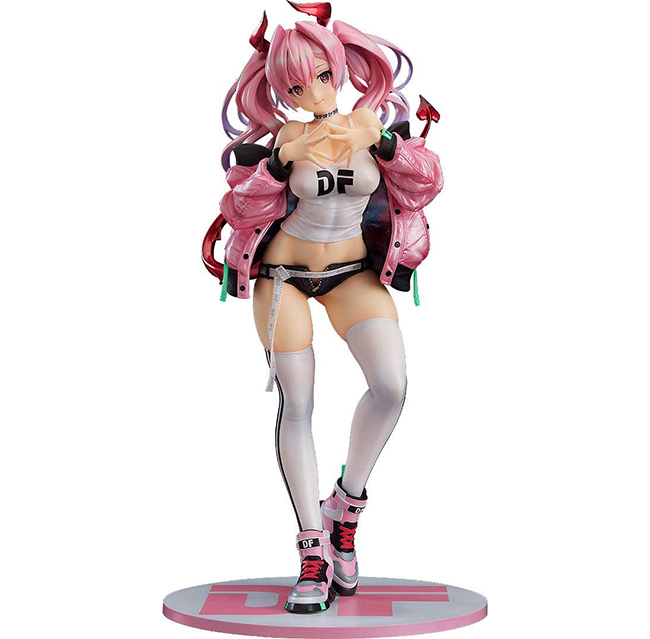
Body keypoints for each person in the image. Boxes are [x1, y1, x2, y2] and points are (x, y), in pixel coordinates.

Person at [213, 1, 443, 613]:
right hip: (284, 277)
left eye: (320, 75)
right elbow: (238, 209)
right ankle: (312, 548)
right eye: (295, 86)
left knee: (391, 387)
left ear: (339, 69)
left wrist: (386, 143)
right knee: (299, 404)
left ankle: (345, 507)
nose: (312, 92)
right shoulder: (287, 140)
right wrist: (276, 166)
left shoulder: (370, 125)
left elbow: (427, 183)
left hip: (351, 274)